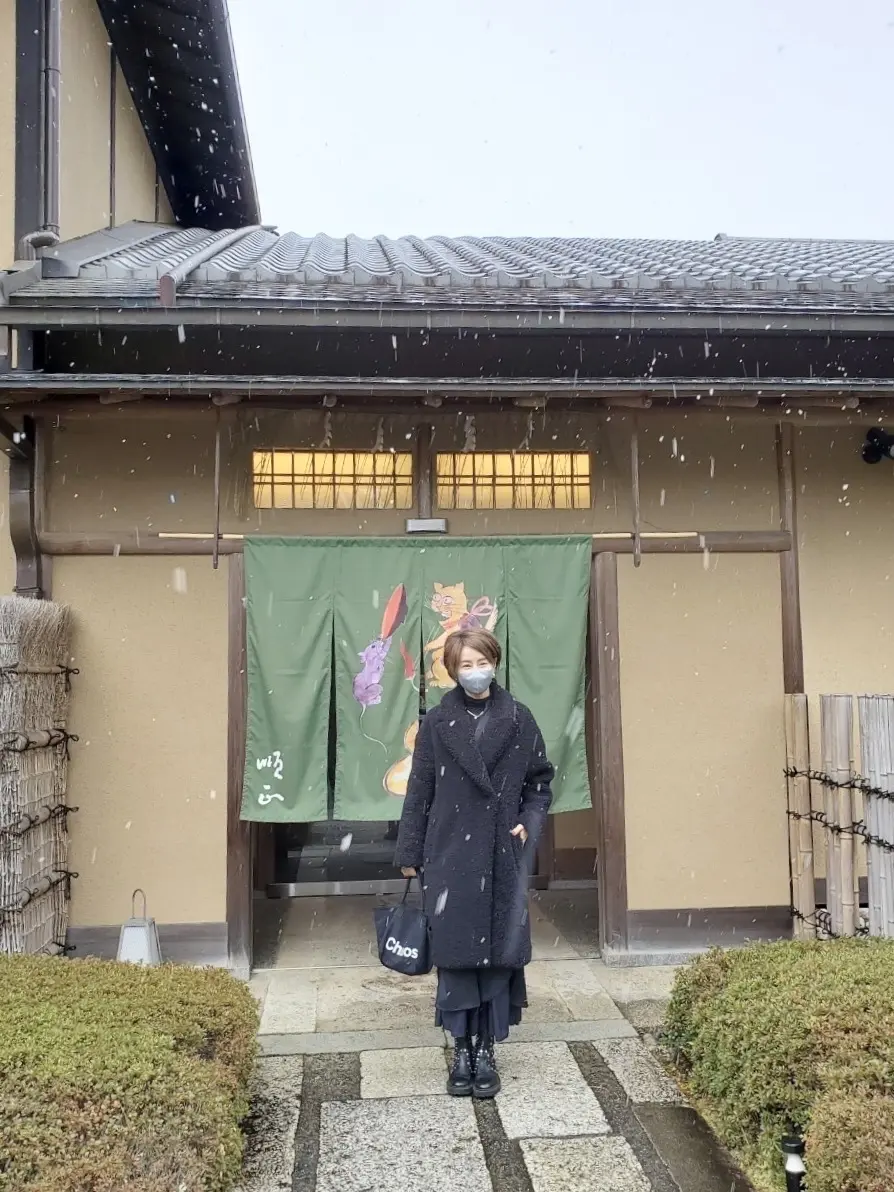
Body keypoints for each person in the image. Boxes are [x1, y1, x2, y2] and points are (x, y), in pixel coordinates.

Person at [394, 627, 553, 1098]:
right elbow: (419, 790)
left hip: (502, 853)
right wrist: (409, 853)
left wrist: (527, 819)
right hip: (450, 853)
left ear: (495, 663)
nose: (475, 672)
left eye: (481, 662)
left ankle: (487, 1049)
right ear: (451, 671)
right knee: (457, 958)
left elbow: (540, 782)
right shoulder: (437, 725)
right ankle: (462, 1048)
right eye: (464, 665)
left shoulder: (520, 720)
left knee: (497, 957)